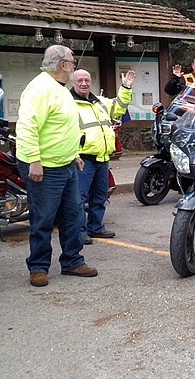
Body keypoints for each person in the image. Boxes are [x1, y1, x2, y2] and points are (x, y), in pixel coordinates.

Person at [16, 45, 97, 287]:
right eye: (72, 62)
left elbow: (62, 128)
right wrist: (34, 160)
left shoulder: (60, 89)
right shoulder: (40, 89)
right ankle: (38, 267)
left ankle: (72, 261)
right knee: (43, 218)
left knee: (73, 215)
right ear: (62, 64)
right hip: (45, 167)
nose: (74, 65)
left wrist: (74, 154)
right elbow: (27, 126)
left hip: (66, 164)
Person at [72, 68, 134, 242]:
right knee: (79, 198)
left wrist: (126, 88)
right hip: (83, 158)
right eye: (80, 80)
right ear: (73, 83)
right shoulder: (68, 104)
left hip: (102, 157)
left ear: (91, 82)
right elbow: (64, 132)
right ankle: (79, 232)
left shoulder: (99, 102)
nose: (84, 83)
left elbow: (119, 108)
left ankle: (95, 227)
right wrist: (74, 154)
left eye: (87, 80)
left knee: (99, 196)